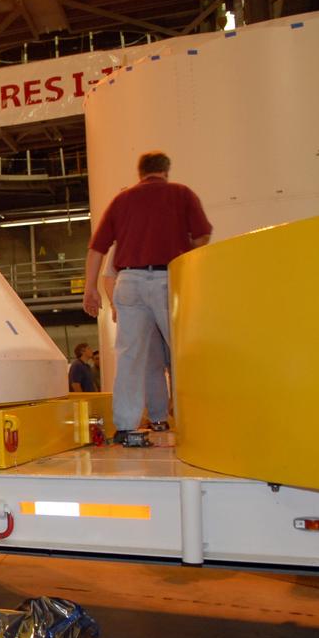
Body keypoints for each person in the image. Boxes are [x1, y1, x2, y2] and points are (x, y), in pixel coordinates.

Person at [83, 151, 211, 442]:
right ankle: (189, 422)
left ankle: (126, 427)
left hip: (128, 280)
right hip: (167, 278)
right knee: (181, 354)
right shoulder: (181, 194)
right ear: (166, 171)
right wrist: (186, 252)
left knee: (129, 356)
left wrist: (89, 289)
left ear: (139, 173)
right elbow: (203, 236)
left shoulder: (121, 200)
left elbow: (97, 249)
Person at [102, 248, 171, 431]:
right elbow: (109, 276)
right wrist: (114, 305)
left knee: (149, 364)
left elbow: (108, 276)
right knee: (161, 363)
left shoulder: (125, 238)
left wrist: (115, 305)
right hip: (165, 293)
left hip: (137, 298)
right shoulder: (169, 228)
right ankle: (161, 418)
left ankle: (157, 419)